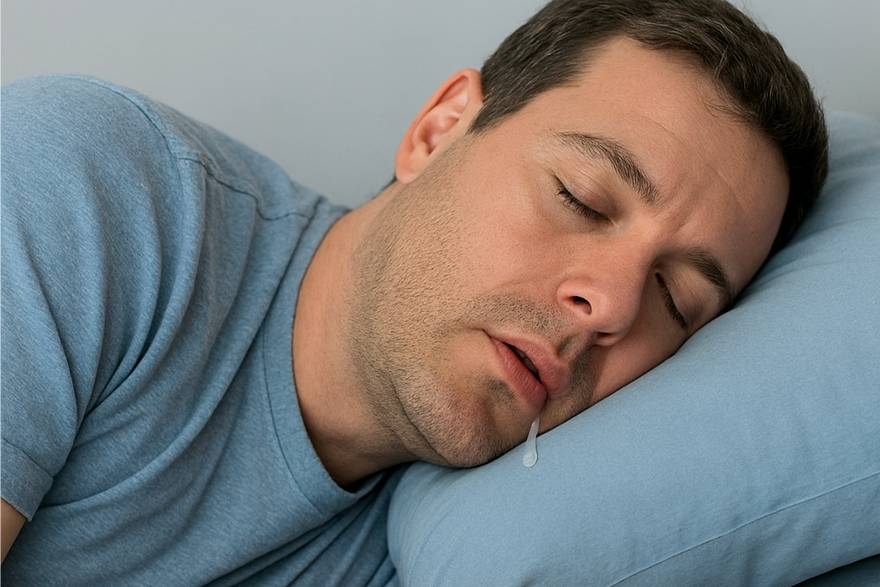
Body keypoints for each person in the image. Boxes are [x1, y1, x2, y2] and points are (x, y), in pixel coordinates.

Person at [1, 0, 827, 583]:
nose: (610, 304)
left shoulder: (466, 551)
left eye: (676, 301)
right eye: (582, 196)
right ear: (438, 131)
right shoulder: (91, 185)